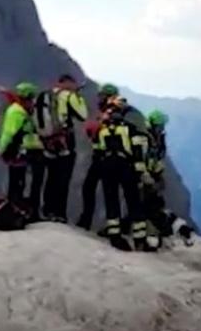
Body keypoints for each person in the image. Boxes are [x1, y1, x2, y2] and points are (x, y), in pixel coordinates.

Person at [135, 110, 194, 249]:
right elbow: (140, 158)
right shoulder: (147, 138)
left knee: (148, 207)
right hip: (145, 177)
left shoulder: (157, 138)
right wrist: (146, 175)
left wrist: (156, 176)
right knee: (148, 207)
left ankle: (154, 236)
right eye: (160, 125)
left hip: (150, 177)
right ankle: (166, 233)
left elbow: (156, 159)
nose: (162, 128)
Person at [97, 97, 149, 251]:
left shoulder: (103, 130)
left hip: (107, 167)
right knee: (134, 201)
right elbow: (138, 152)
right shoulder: (130, 128)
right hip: (126, 167)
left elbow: (99, 150)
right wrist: (141, 172)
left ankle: (115, 237)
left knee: (111, 201)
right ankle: (140, 239)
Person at [40, 74, 89, 223]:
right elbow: (83, 115)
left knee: (51, 176)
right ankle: (59, 212)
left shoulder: (47, 95)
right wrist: (77, 96)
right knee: (63, 176)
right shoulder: (68, 96)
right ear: (68, 83)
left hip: (47, 141)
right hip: (65, 140)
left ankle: (47, 209)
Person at [77, 84, 123, 230]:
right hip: (101, 157)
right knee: (92, 188)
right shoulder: (111, 111)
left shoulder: (113, 112)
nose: (99, 99)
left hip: (107, 157)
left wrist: (94, 129)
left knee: (107, 192)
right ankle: (88, 220)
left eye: (102, 96)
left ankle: (106, 225)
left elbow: (104, 132)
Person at [0, 82, 41, 212]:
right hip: (17, 150)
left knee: (17, 181)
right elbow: (10, 133)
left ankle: (15, 209)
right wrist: (4, 150)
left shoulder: (17, 110)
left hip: (17, 150)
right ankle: (13, 209)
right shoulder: (17, 113)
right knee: (17, 182)